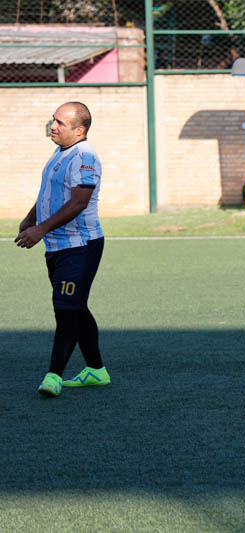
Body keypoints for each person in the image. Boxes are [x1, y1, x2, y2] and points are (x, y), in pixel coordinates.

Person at [15, 102, 110, 397]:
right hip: (58, 246)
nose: (52, 126)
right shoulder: (60, 152)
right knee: (75, 306)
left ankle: (54, 376)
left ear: (79, 130)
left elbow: (79, 201)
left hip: (79, 246)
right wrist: (32, 217)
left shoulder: (85, 156)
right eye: (53, 120)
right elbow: (50, 192)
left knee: (66, 309)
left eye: (59, 122)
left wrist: (41, 228)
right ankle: (96, 370)